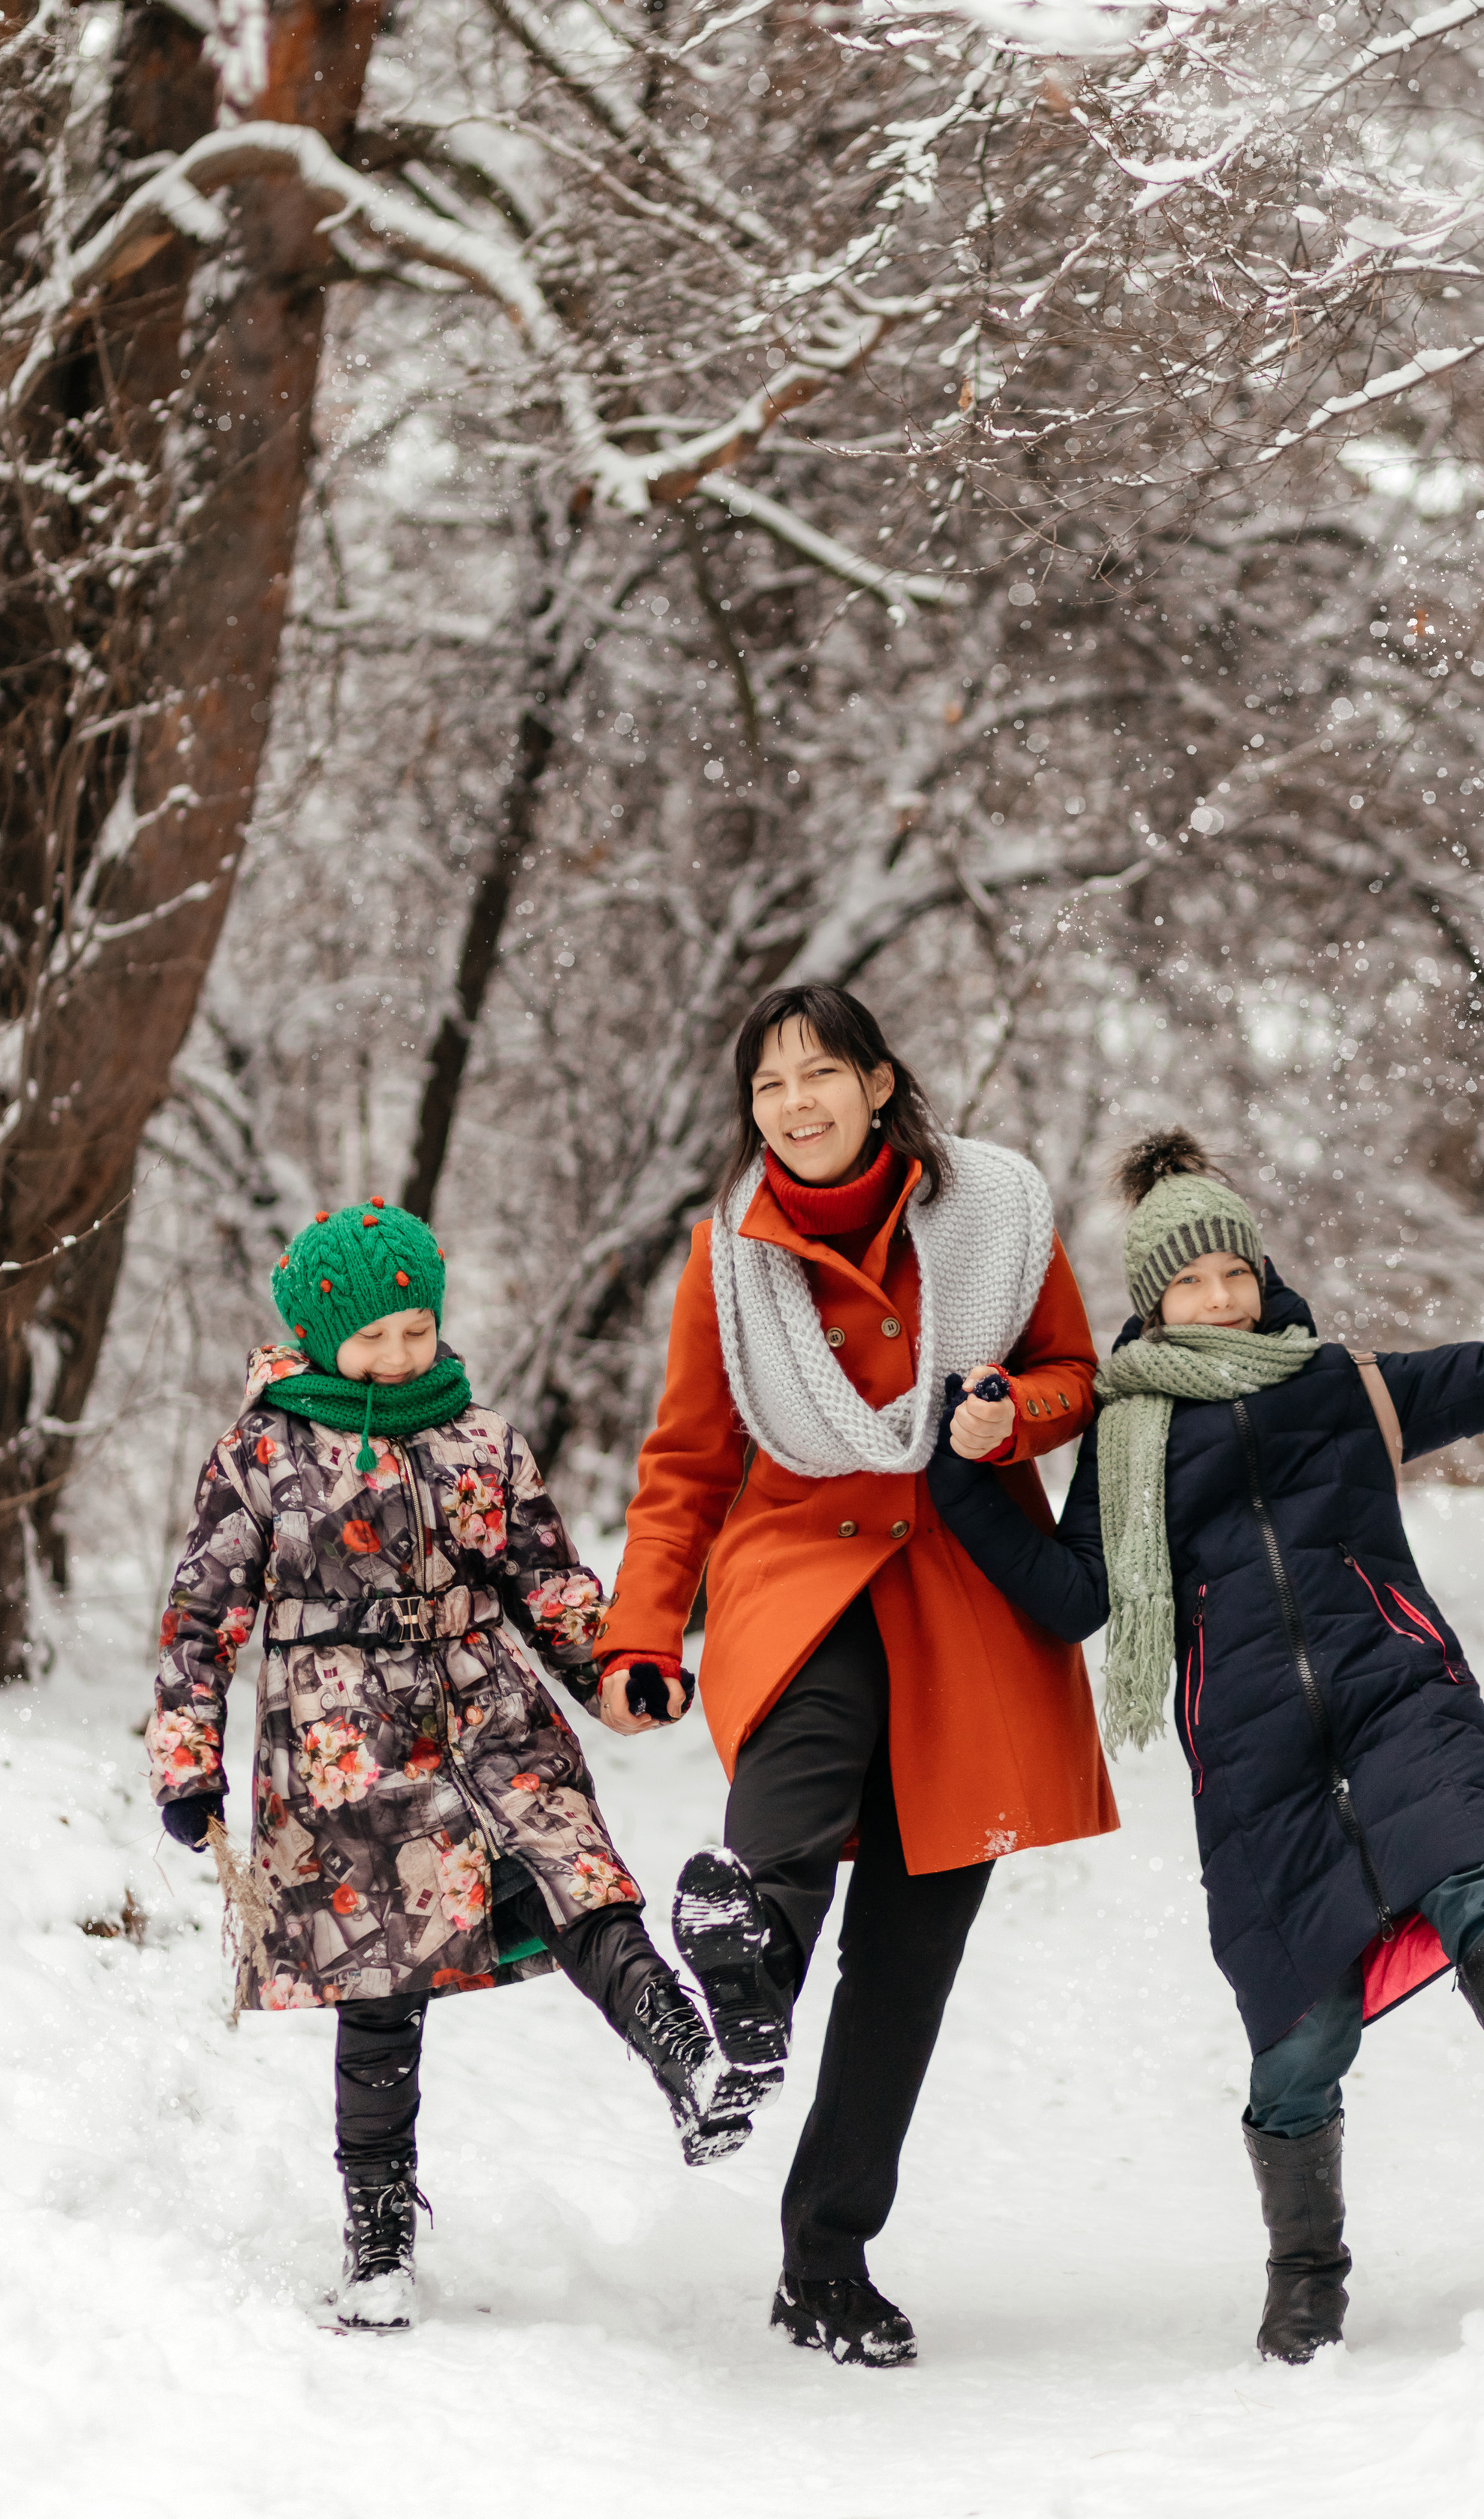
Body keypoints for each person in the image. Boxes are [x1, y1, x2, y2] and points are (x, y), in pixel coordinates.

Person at [925, 1127, 1484, 2363]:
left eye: (1234, 1270)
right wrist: (957, 1474)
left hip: (1396, 1688)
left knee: (1474, 1875)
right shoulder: (1130, 1442)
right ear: (1153, 1299)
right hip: (1250, 1761)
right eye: (1192, 1282)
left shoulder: (1343, 1385)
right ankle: (1307, 2281)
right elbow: (1075, 1597)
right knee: (1299, 2035)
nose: (1223, 1298)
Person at [595, 984, 1117, 2367]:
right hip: (804, 1574)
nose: (796, 1104)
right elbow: (689, 1462)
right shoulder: (732, 1260)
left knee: (904, 1969)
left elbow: (1077, 1370)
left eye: (821, 1073)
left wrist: (1016, 1417)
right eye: (769, 1087)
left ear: (880, 1084)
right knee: (785, 1823)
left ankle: (825, 2258)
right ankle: (747, 1977)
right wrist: (643, 1629)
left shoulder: (996, 1210)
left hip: (965, 1594)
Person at [147, 1198, 726, 2335]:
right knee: (379, 1989)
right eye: (375, 1338)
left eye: (417, 1329)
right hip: (344, 1752)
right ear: (320, 1336)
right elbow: (199, 1617)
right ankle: (377, 2240)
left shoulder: (482, 1438)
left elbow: (551, 1585)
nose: (402, 1356)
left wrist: (620, 1672)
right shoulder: (262, 1452)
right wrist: (188, 1762)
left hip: (488, 1713)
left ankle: (689, 2060)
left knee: (578, 1877)